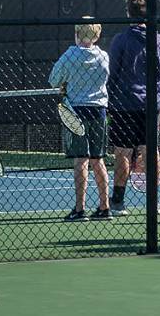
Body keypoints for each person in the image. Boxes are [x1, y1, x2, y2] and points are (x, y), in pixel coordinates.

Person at [107, 0, 160, 216]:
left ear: (128, 12)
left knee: (123, 152)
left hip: (124, 107)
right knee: (151, 153)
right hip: (150, 107)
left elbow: (112, 75)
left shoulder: (120, 40)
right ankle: (154, 202)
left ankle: (117, 202)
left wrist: (109, 103)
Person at [50, 18, 112, 221]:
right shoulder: (103, 56)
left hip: (77, 111)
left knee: (81, 160)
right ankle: (105, 207)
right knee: (98, 159)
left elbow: (54, 80)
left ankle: (80, 209)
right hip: (99, 111)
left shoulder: (70, 55)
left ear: (77, 33)